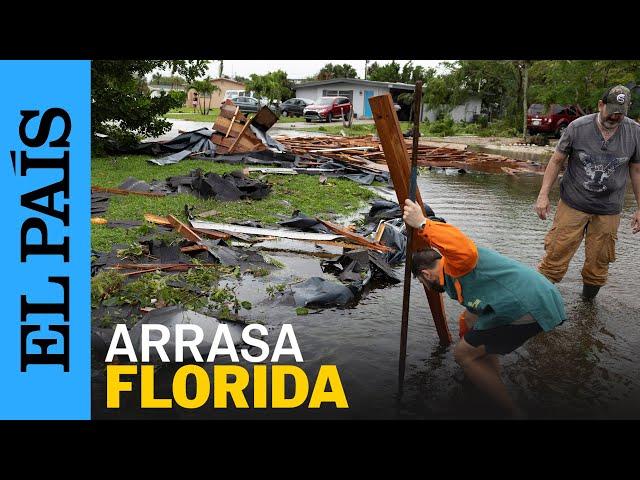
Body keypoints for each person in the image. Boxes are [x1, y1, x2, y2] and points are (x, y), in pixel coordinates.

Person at [403, 199, 566, 418]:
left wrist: (422, 223)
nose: (427, 287)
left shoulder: (456, 264)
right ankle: (491, 383)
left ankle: (511, 413)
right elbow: (472, 317)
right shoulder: (454, 278)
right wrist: (467, 335)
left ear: (426, 274)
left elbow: (462, 247)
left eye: (422, 283)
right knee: (472, 331)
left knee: (463, 354)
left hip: (528, 305)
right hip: (539, 298)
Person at [535, 85, 640, 299]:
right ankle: (538, 301)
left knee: (599, 263)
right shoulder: (577, 127)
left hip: (609, 209)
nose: (615, 117)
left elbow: (637, 170)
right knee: (555, 254)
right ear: (600, 105)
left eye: (620, 114)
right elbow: (556, 160)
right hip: (573, 204)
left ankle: (587, 305)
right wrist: (543, 195)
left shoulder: (635, 132)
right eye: (611, 112)